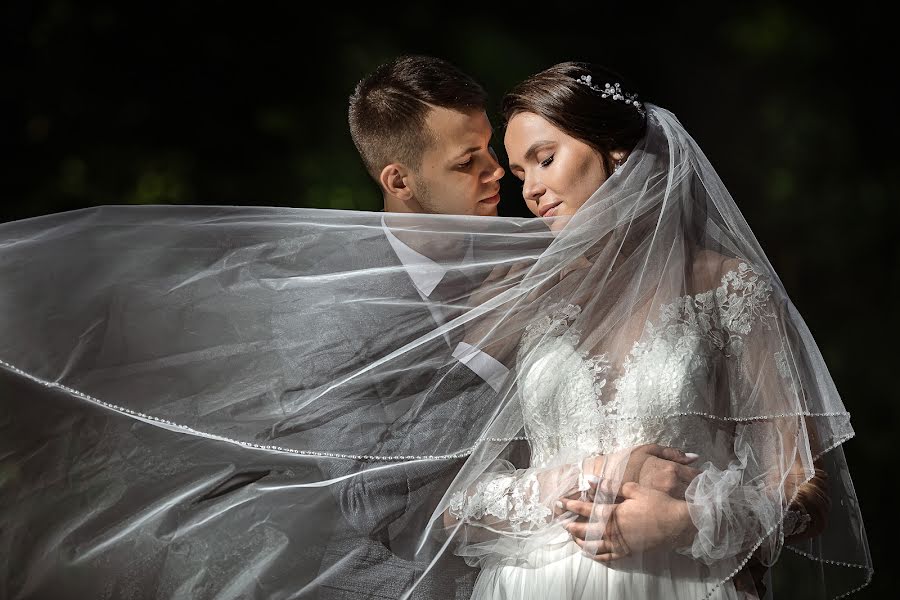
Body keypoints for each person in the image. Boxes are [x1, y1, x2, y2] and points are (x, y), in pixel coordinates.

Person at [429, 61, 871, 599]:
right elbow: (450, 499)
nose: (533, 190)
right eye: (521, 176)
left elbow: (803, 492)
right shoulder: (526, 294)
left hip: (677, 583)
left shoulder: (728, 287)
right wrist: (591, 476)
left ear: (616, 150)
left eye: (545, 159)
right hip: (535, 583)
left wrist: (682, 521)